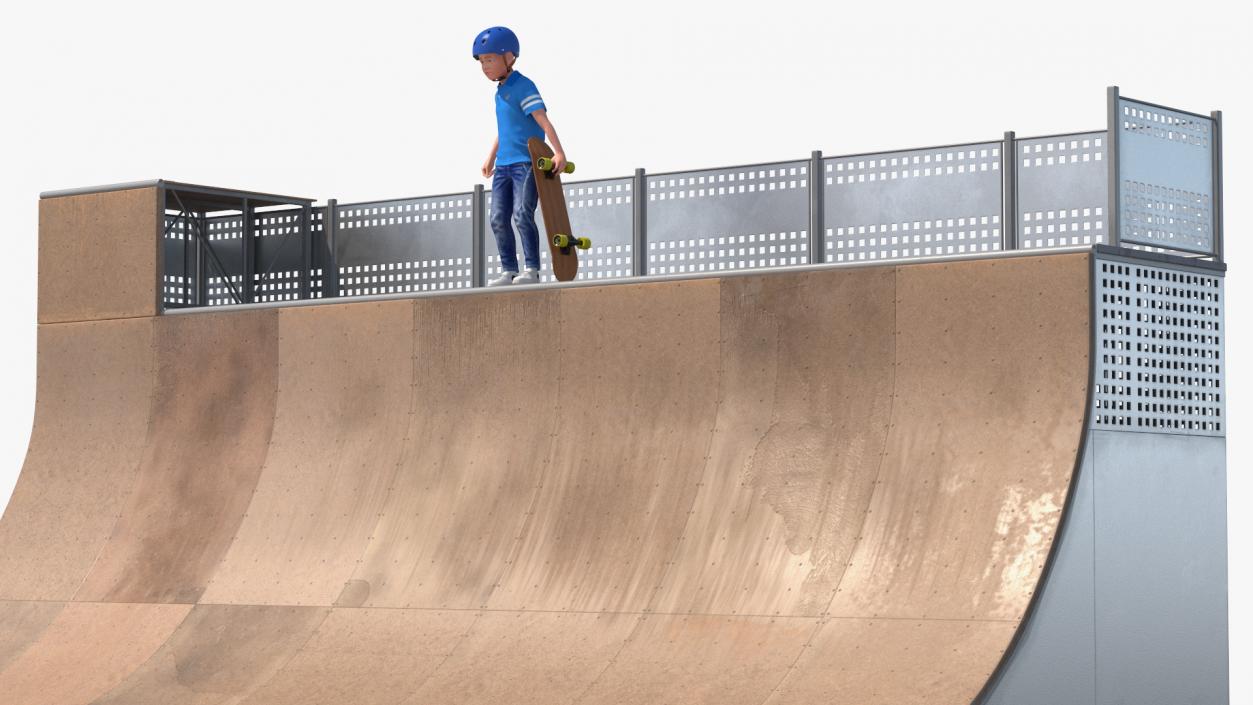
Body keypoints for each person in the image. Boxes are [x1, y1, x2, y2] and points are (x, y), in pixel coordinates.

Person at [474, 26, 569, 286]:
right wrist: (491, 157)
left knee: (521, 213)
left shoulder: (523, 86)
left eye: (490, 60)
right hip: (503, 165)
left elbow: (543, 120)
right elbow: (504, 128)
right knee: (497, 218)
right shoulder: (500, 92)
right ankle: (509, 270)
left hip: (525, 164)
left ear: (509, 57)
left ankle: (532, 270)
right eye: (482, 62)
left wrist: (559, 151)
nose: (485, 66)